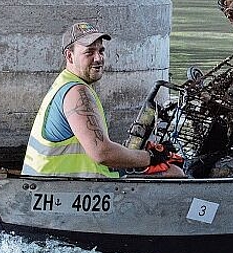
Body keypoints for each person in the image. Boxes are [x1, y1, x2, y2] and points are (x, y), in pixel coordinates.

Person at [22, 22, 184, 177]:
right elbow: (101, 152)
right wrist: (150, 157)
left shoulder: (65, 83)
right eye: (89, 52)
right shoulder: (77, 93)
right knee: (175, 172)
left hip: (55, 182)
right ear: (69, 56)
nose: (98, 58)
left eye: (101, 51)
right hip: (66, 188)